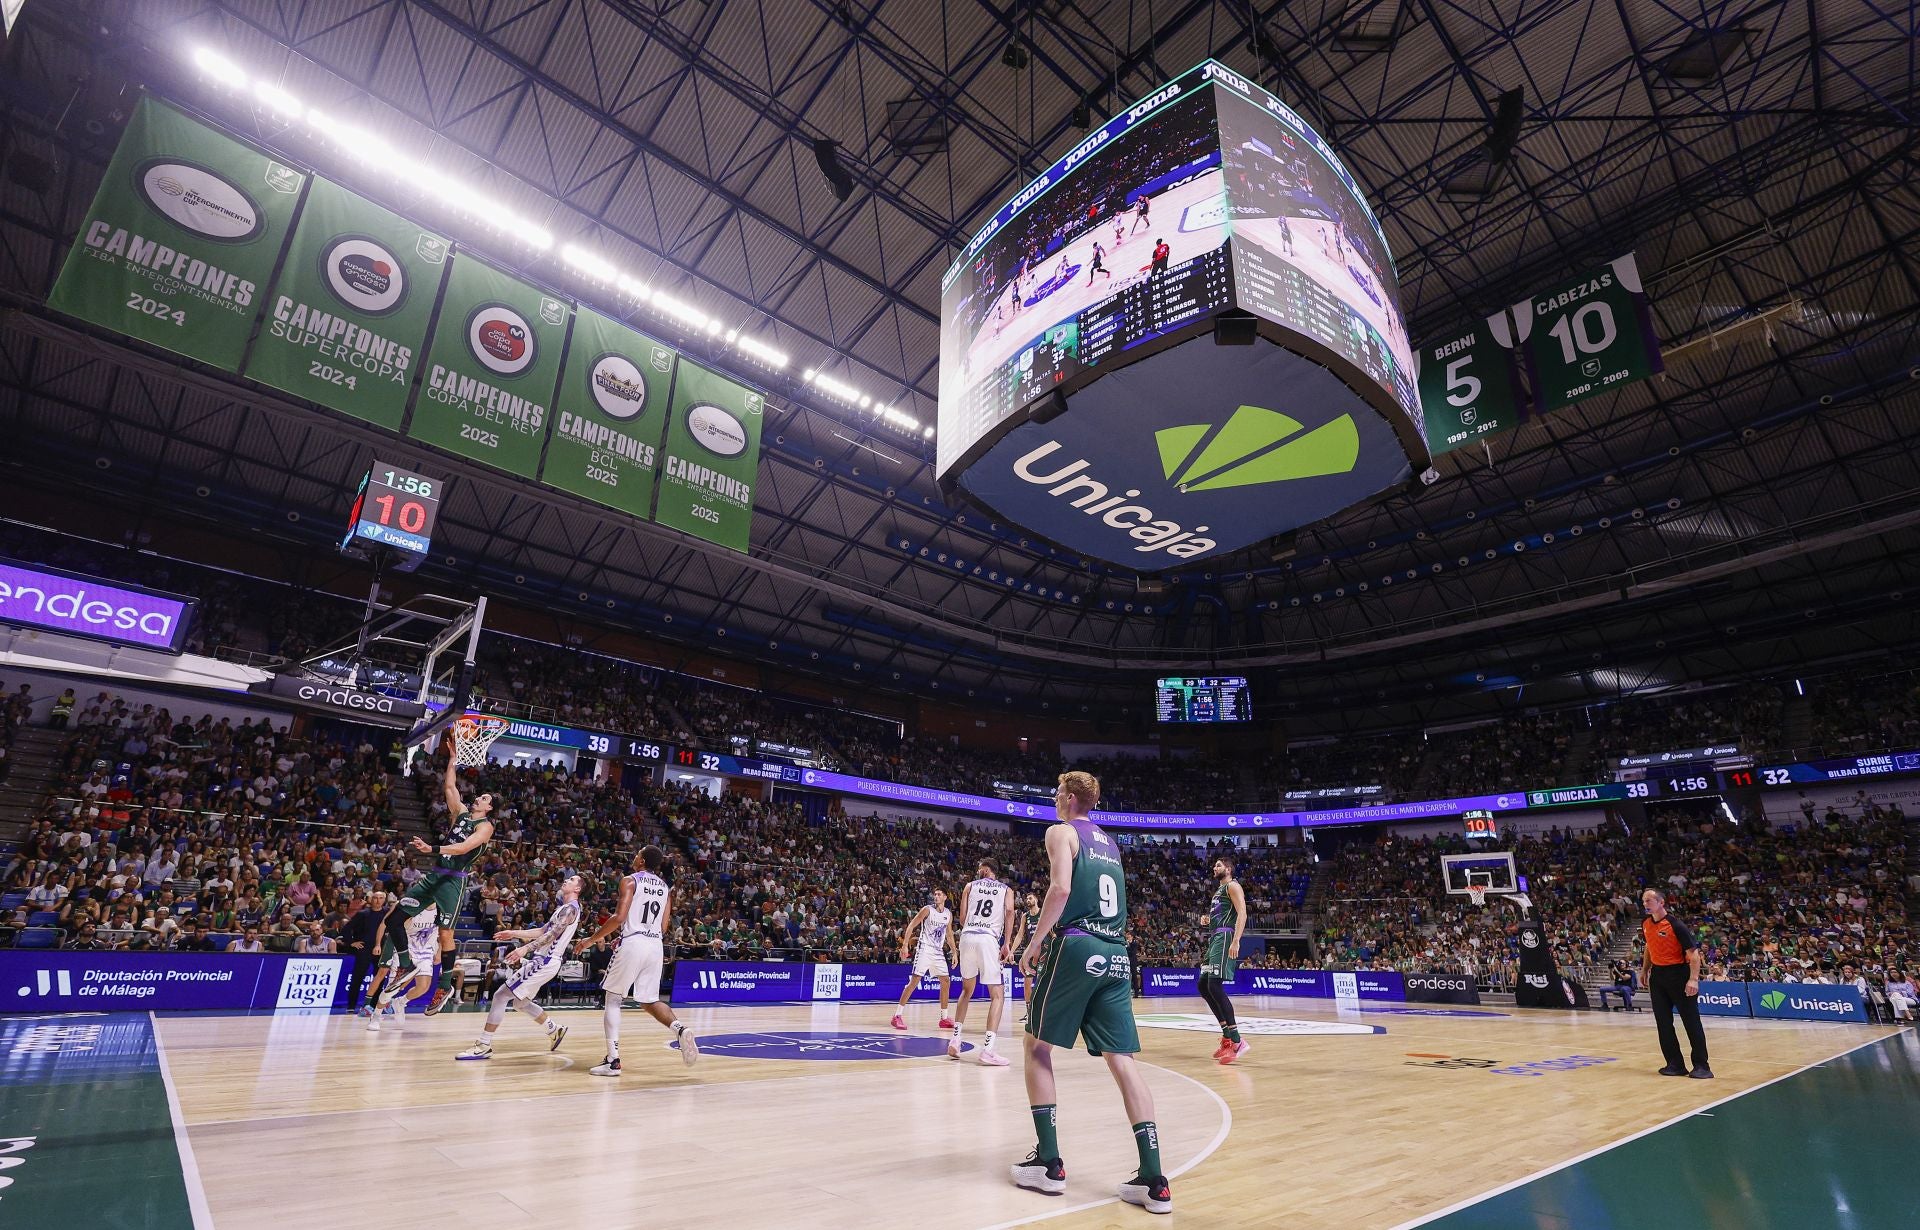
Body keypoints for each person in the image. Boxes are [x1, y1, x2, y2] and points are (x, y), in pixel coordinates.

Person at [1013, 771, 1168, 1215]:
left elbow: (1060, 888)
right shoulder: (1110, 843)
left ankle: (1048, 1163)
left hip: (1077, 944)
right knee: (1124, 1061)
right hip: (1117, 953)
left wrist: (1035, 942)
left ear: (1068, 797)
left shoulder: (1060, 831)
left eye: (1057, 791)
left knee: (1036, 1046)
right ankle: (1155, 1179)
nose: (1054, 797)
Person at [369, 732, 494, 1032]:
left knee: (446, 935)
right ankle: (406, 964)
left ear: (490, 808)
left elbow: (463, 849)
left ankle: (445, 985)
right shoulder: (461, 813)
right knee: (396, 919)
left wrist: (432, 849)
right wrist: (452, 761)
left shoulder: (486, 826)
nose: (480, 797)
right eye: (481, 795)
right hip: (434, 876)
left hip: (453, 881)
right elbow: (449, 786)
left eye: (486, 798)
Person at [574, 846, 698, 1076]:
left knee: (613, 998)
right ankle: (680, 1029)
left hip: (634, 943)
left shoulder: (630, 881)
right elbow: (663, 926)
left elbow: (619, 917)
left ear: (641, 860)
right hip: (655, 945)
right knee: (649, 1000)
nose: (634, 857)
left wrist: (591, 940)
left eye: (636, 854)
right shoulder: (664, 887)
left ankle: (613, 1061)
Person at [457, 873, 584, 1061]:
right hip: (546, 961)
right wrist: (513, 933)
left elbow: (551, 936)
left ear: (577, 889)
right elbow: (542, 931)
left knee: (501, 996)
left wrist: (525, 948)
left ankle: (484, 1044)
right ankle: (554, 1030)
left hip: (546, 960)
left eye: (572, 880)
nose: (567, 880)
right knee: (519, 1002)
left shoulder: (570, 910)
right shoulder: (564, 908)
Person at [1640, 888, 1712, 1079]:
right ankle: (1674, 1063)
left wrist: (1693, 979)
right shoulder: (1646, 924)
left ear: (1661, 902)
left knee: (1691, 1021)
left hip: (1679, 974)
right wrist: (1645, 969)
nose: (1645, 904)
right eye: (1644, 901)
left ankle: (1701, 1066)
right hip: (1658, 976)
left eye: (1649, 900)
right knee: (1663, 1023)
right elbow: (1649, 947)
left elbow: (1694, 954)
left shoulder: (1676, 925)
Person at [948, 858, 1012, 1067]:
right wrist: (1006, 943)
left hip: (967, 937)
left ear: (987, 869)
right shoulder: (1006, 890)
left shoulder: (969, 886)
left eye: (979, 868)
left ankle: (956, 1039)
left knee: (967, 990)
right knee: (997, 995)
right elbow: (1010, 912)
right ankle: (988, 1049)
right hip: (987, 938)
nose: (977, 871)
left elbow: (963, 917)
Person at [1199, 856, 1248, 1064]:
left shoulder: (1233, 886)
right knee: (1203, 985)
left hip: (1226, 937)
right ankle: (1227, 1037)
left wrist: (1236, 941)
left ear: (1228, 869)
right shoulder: (1219, 891)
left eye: (1218, 865)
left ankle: (1237, 1041)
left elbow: (1242, 913)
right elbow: (1224, 915)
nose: (1214, 867)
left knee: (1214, 986)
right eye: (1214, 865)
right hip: (1216, 937)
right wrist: (1208, 920)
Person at [892, 887, 958, 1032]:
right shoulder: (927, 910)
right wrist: (904, 945)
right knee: (914, 982)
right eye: (935, 894)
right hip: (925, 949)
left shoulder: (948, 914)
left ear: (945, 897)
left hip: (938, 951)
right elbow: (911, 925)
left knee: (946, 981)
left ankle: (944, 1018)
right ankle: (897, 1016)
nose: (936, 896)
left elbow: (949, 935)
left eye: (939, 894)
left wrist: (954, 952)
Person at [342, 891, 386, 1012]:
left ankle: (373, 1006)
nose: (378, 900)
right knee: (357, 978)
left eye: (381, 898)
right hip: (364, 949)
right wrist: (351, 942)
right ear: (371, 899)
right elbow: (346, 929)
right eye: (375, 898)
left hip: (381, 950)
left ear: (384, 900)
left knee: (379, 979)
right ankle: (351, 1006)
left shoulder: (387, 914)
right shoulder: (363, 914)